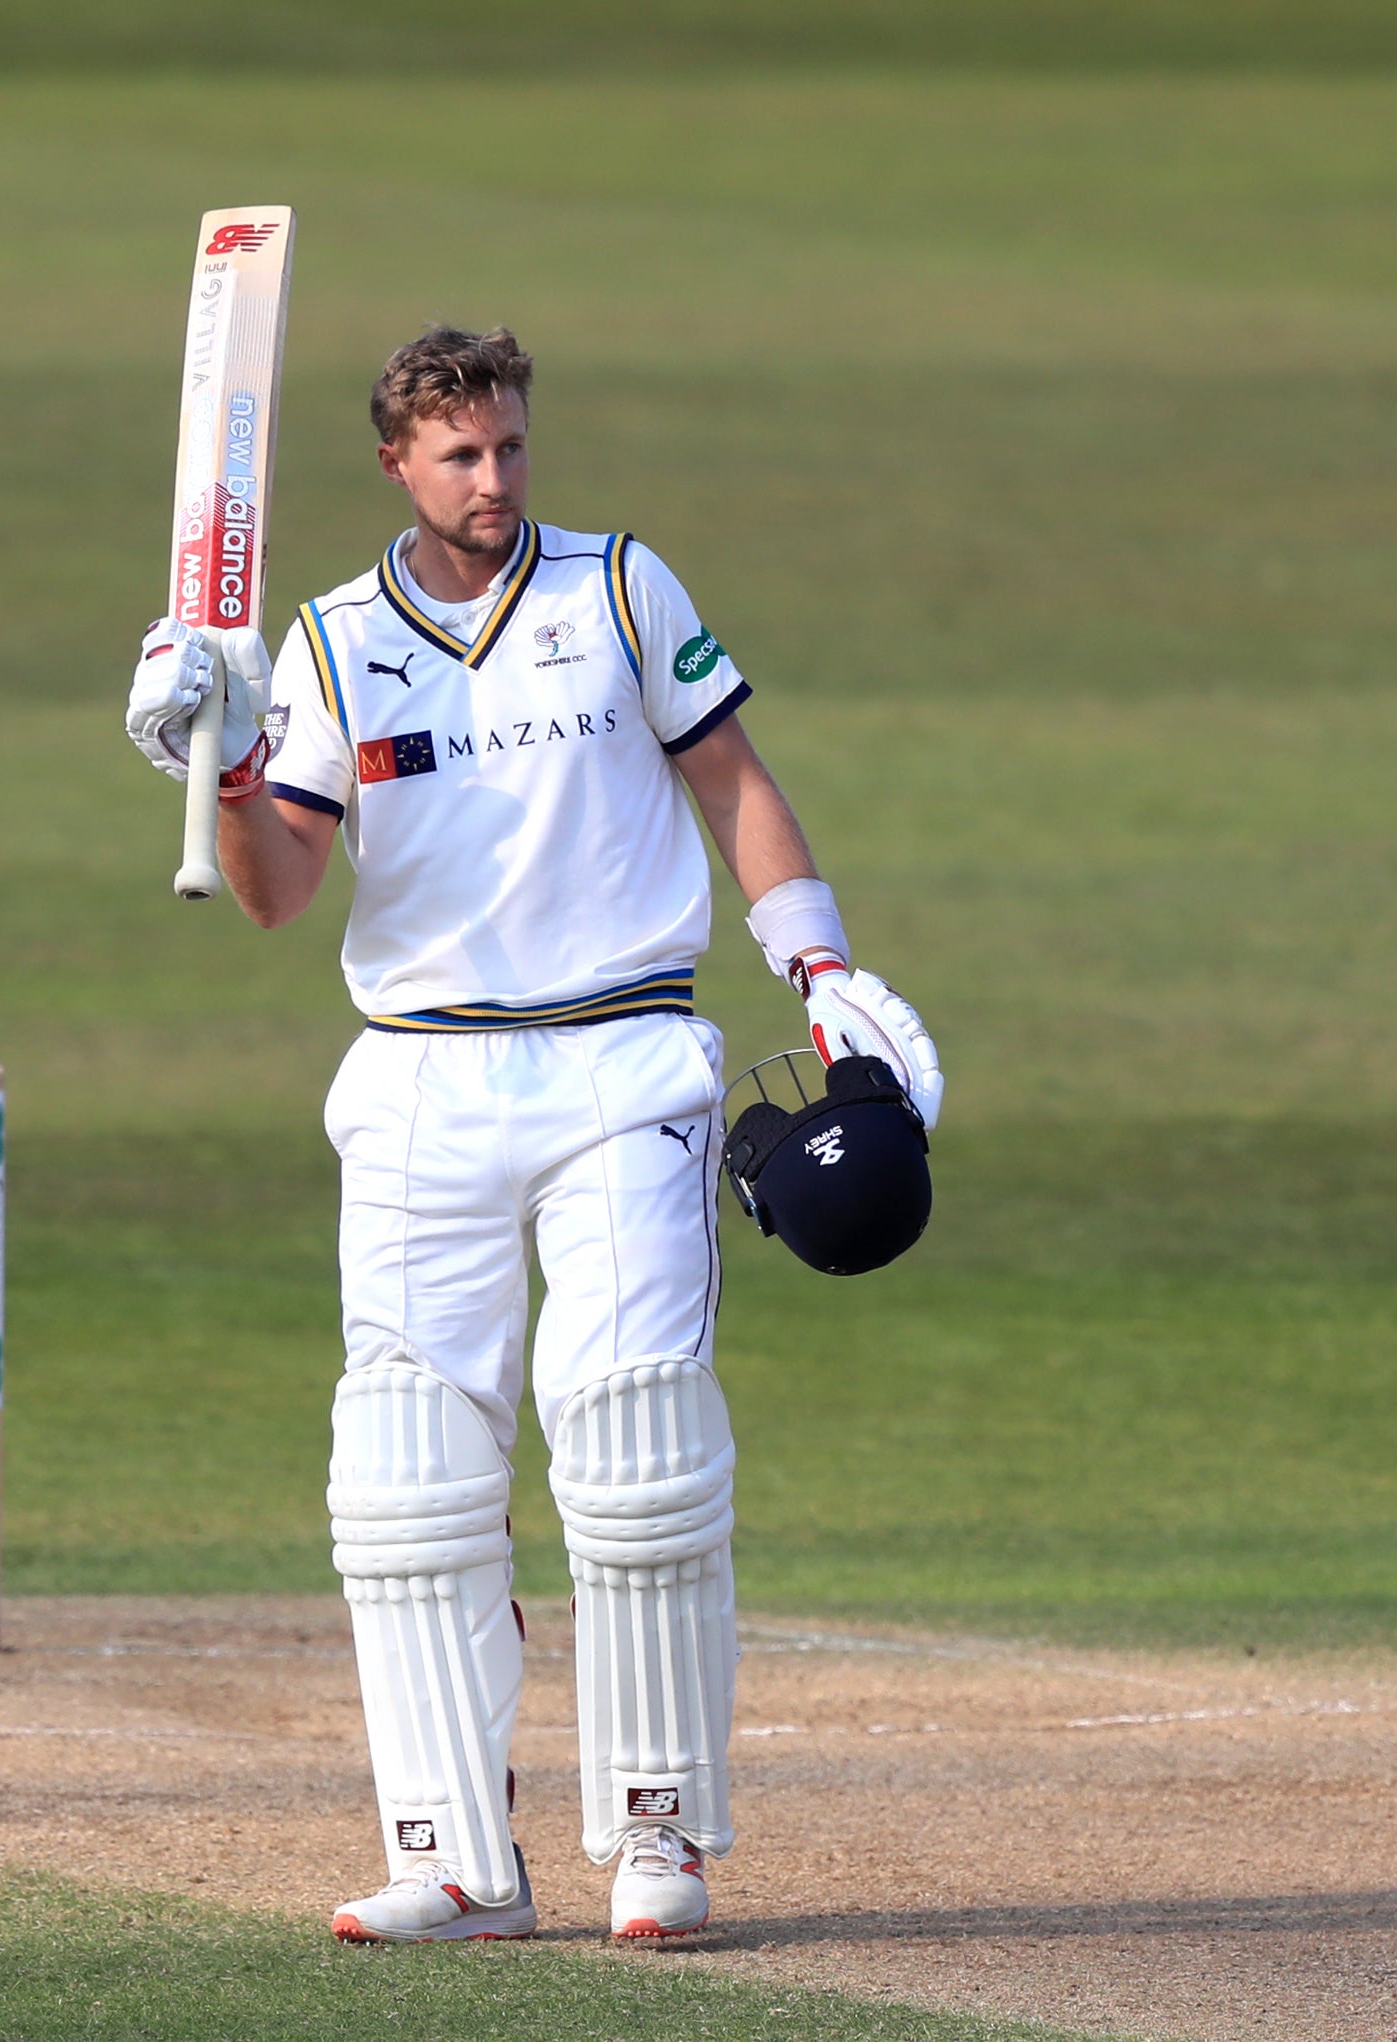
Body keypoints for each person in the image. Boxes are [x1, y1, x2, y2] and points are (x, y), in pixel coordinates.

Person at [125, 326, 940, 1944]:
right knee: (409, 1470)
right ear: (397, 467)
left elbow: (735, 781)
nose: (493, 481)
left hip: (623, 1058)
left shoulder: (619, 590)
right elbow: (281, 891)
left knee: (631, 1432)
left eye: (508, 447)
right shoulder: (333, 641)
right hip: (424, 1076)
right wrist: (208, 762)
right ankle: (450, 1856)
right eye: (459, 457)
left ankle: (656, 1838)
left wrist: (822, 962)